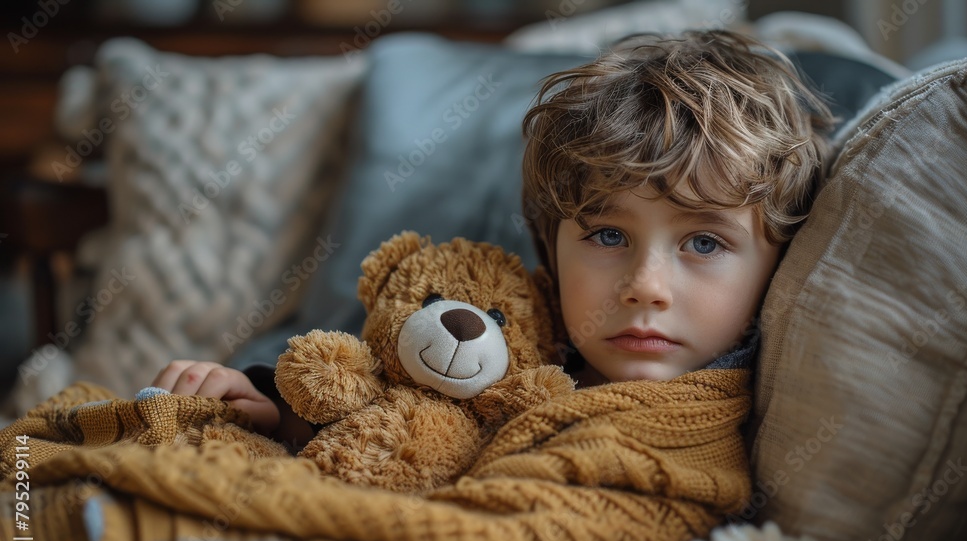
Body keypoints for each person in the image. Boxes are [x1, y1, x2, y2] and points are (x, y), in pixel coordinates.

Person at [151, 29, 834, 446]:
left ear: (777, 259)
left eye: (704, 243)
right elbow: (379, 403)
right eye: (605, 233)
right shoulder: (502, 351)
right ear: (550, 246)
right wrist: (269, 406)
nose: (646, 287)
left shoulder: (772, 409)